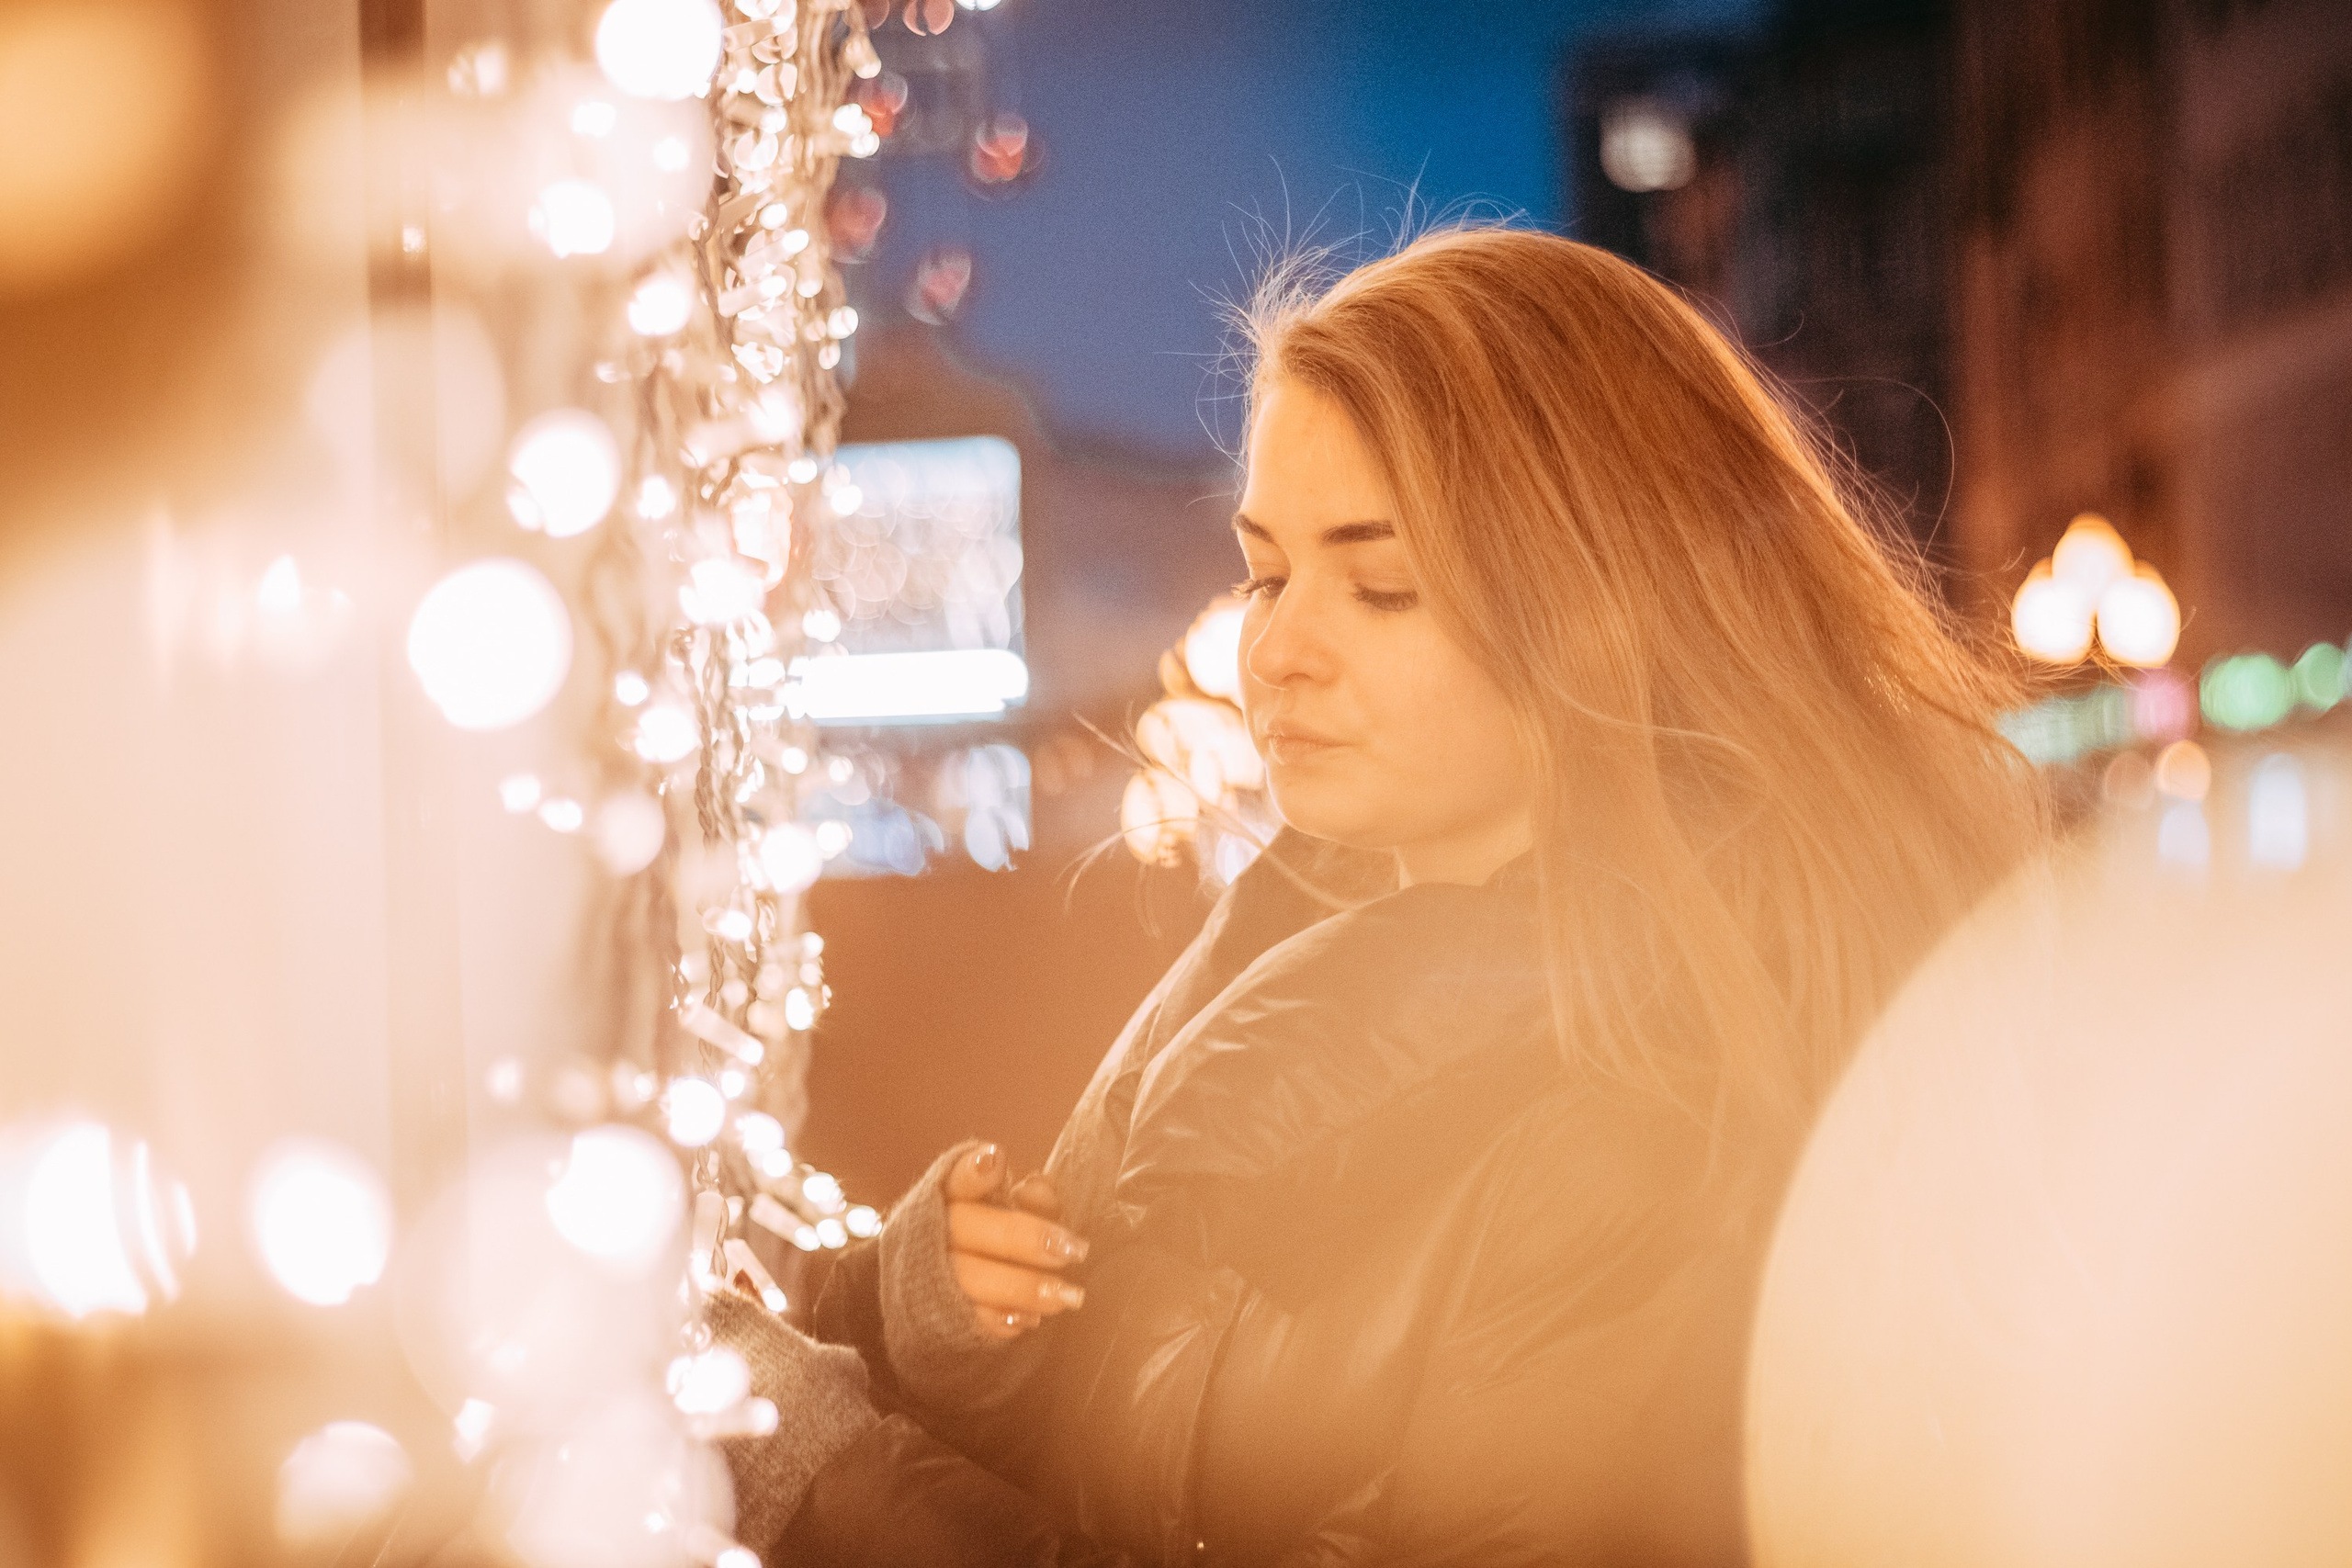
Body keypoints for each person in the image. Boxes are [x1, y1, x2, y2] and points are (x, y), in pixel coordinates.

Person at [707, 225, 2043, 1566]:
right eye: (1268, 574)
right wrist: (931, 1321)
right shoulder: (1275, 959)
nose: (1276, 651)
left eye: (1382, 586)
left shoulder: (1647, 1132)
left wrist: (824, 1479)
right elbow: (1162, 1488)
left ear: (1604, 606)